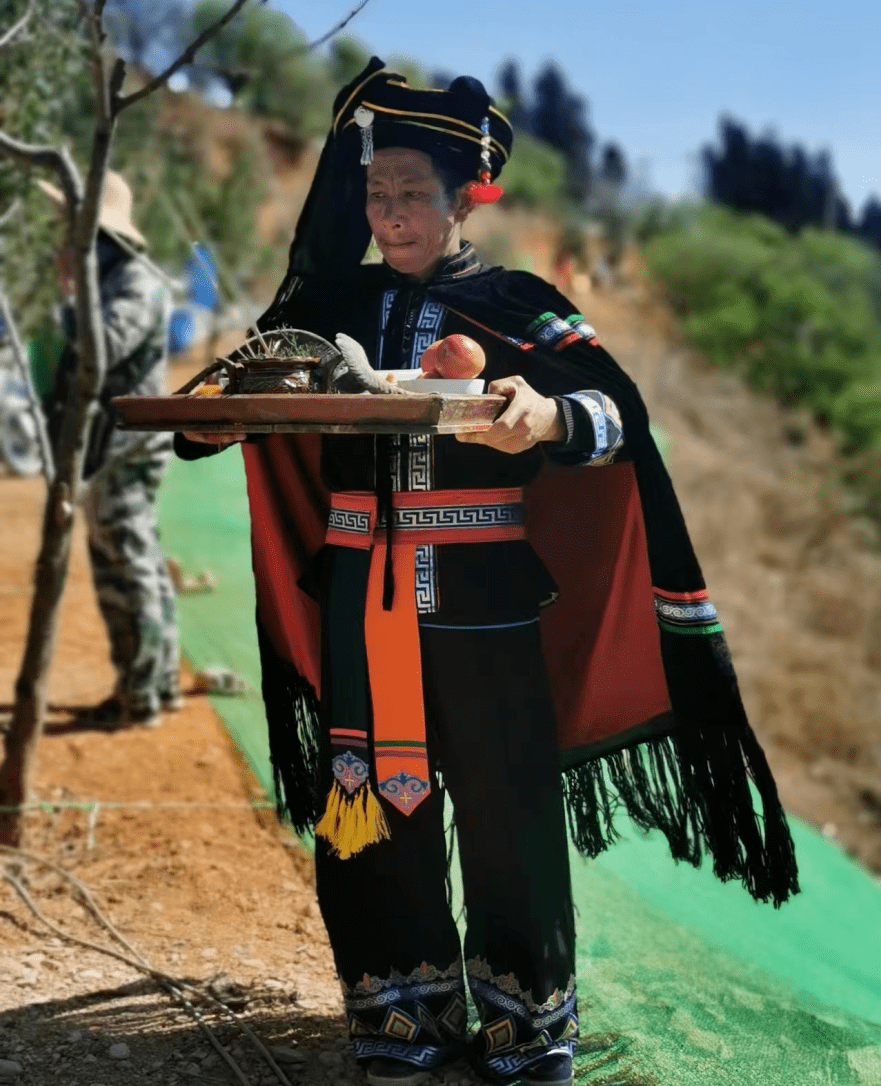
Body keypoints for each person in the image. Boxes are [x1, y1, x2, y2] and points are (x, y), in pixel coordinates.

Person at [176, 60, 798, 1086]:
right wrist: (207, 421)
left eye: (413, 193)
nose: (390, 214)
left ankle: (524, 1024)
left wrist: (546, 417)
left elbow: (618, 415)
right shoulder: (326, 302)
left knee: (508, 811)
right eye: (377, 194)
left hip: (481, 601)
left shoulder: (519, 303)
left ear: (467, 196)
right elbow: (231, 402)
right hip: (354, 596)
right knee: (367, 805)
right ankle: (400, 1020)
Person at [41, 171, 181, 730]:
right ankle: (148, 684)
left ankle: (144, 691)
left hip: (130, 443)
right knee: (122, 559)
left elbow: (104, 347)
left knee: (129, 561)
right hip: (111, 441)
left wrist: (70, 298)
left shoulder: (134, 282)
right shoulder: (112, 274)